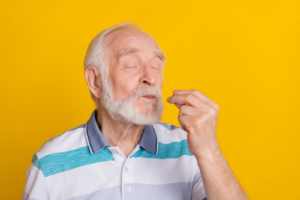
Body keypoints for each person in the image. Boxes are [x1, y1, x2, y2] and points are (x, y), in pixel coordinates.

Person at [23, 22, 248, 200]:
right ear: (95, 81)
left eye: (157, 66)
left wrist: (209, 151)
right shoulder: (49, 163)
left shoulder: (188, 149)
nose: (150, 78)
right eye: (130, 64)